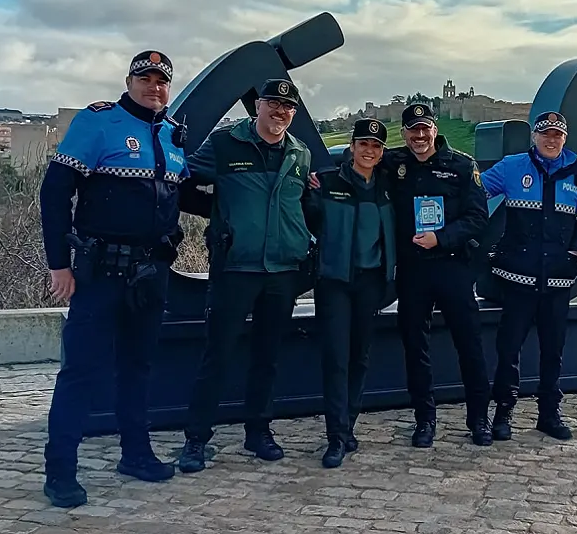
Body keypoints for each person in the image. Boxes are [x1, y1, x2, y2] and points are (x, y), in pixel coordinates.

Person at [38, 50, 187, 508]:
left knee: (138, 368)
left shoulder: (173, 134)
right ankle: (60, 473)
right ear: (129, 81)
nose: (153, 87)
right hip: (100, 273)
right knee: (81, 372)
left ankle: (135, 455)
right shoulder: (97, 122)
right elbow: (55, 192)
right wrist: (58, 263)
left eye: (161, 81)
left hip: (150, 273)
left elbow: (187, 194)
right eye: (145, 78)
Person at [176, 78, 316, 473]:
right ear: (258, 107)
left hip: (281, 271)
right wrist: (221, 215)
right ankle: (196, 439)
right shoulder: (225, 145)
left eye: (288, 107)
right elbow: (184, 186)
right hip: (235, 268)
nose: (280, 112)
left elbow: (303, 202)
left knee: (267, 357)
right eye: (273, 103)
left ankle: (259, 431)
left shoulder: (299, 154)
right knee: (217, 355)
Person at [480, 111, 577, 441]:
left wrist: (575, 256)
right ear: (535, 136)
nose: (551, 139)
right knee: (509, 349)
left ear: (565, 138)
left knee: (553, 350)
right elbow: (476, 191)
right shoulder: (512, 166)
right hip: (517, 276)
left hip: (558, 281)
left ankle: (549, 413)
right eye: (545, 134)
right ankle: (503, 412)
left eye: (557, 135)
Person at [388, 104, 494, 447]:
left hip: (452, 266)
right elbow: (357, 163)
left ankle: (479, 418)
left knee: (470, 344)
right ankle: (424, 420)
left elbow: (478, 217)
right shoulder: (394, 163)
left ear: (434, 130)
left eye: (424, 129)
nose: (419, 136)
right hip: (413, 270)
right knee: (415, 348)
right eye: (412, 130)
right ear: (404, 133)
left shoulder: (462, 166)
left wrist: (442, 237)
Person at [307, 118, 397, 468]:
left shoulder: (389, 187)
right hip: (334, 282)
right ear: (352, 147)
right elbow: (309, 220)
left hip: (371, 282)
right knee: (336, 358)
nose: (369, 151)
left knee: (359, 357)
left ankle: (348, 427)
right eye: (363, 144)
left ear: (381, 152)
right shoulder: (327, 183)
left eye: (375, 146)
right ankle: (335, 436)